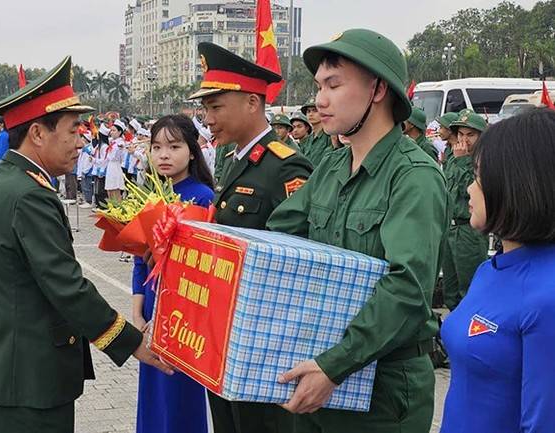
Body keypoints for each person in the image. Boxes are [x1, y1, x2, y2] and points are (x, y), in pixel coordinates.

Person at [0, 56, 172, 433]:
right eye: (73, 130)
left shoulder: (1, 182)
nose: (81, 140)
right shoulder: (29, 194)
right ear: (38, 134)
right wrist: (131, 342)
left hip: (5, 370)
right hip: (29, 379)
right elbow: (65, 285)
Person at [267, 29, 447, 432]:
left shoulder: (414, 177)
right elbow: (278, 238)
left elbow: (407, 290)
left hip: (381, 386)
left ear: (378, 88)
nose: (320, 100)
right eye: (318, 87)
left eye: (334, 84)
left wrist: (333, 367)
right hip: (319, 370)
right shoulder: (331, 168)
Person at [188, 41, 313, 433]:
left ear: (252, 104)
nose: (207, 118)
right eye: (206, 108)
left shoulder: (285, 166)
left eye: (216, 107)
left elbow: (299, 255)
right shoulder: (234, 160)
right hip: (227, 331)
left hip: (265, 341)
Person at [440, 108, 555, 432]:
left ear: (517, 183)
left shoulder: (548, 296)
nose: (469, 190)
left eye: (478, 176)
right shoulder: (489, 270)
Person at [132, 114, 214, 433]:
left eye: (174, 146)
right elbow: (141, 259)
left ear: (192, 152)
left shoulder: (202, 198)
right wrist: (138, 312)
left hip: (187, 317)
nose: (164, 155)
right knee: (154, 395)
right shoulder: (150, 196)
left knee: (181, 396)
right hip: (154, 312)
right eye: (156, 147)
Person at [441, 109, 490, 311]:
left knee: (469, 289)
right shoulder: (454, 157)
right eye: (461, 134)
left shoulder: (482, 161)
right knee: (450, 290)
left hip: (469, 231)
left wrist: (462, 161)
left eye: (470, 135)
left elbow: (469, 191)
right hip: (451, 230)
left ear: (480, 136)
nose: (464, 139)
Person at [300, 97, 333, 166]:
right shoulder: (307, 140)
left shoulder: (330, 136)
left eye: (315, 110)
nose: (311, 114)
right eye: (308, 111)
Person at [105, 119, 127, 201]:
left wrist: (120, 149)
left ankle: (118, 210)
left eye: (114, 130)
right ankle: (112, 209)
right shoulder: (113, 142)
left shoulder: (120, 143)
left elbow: (120, 157)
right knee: (109, 190)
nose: (111, 132)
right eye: (111, 130)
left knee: (115, 190)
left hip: (115, 167)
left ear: (120, 132)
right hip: (110, 167)